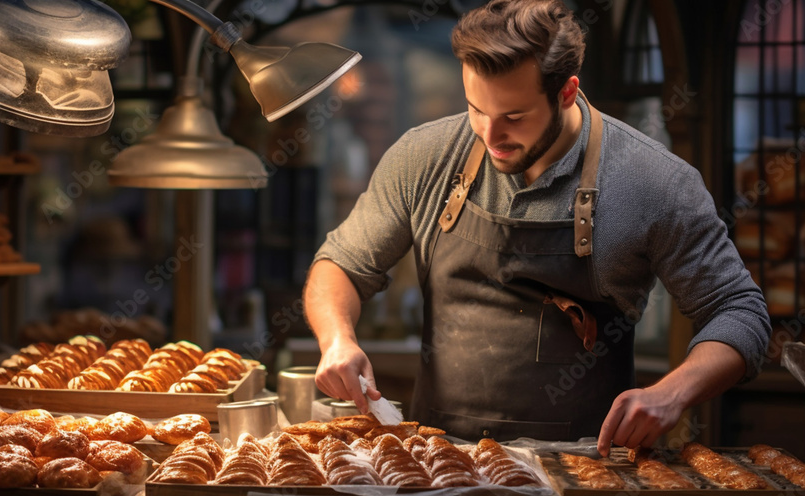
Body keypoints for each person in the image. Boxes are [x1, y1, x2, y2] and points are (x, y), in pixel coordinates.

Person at [303, 0, 770, 456]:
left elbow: (740, 312)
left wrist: (673, 392)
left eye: (514, 117)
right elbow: (341, 264)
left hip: (585, 479)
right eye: (476, 109)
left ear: (567, 92)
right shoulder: (423, 156)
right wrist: (337, 338)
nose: (489, 136)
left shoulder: (653, 182)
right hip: (440, 467)